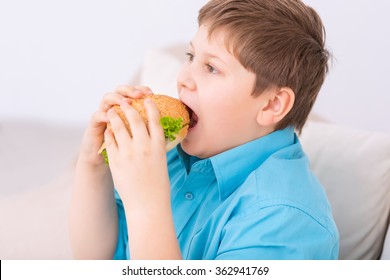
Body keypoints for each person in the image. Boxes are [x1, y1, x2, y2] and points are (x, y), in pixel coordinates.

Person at [69, 0, 339, 260]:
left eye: (211, 68)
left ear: (271, 104)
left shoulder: (285, 221)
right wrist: (93, 164)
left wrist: (146, 205)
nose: (184, 78)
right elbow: (96, 257)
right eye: (191, 56)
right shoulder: (169, 151)